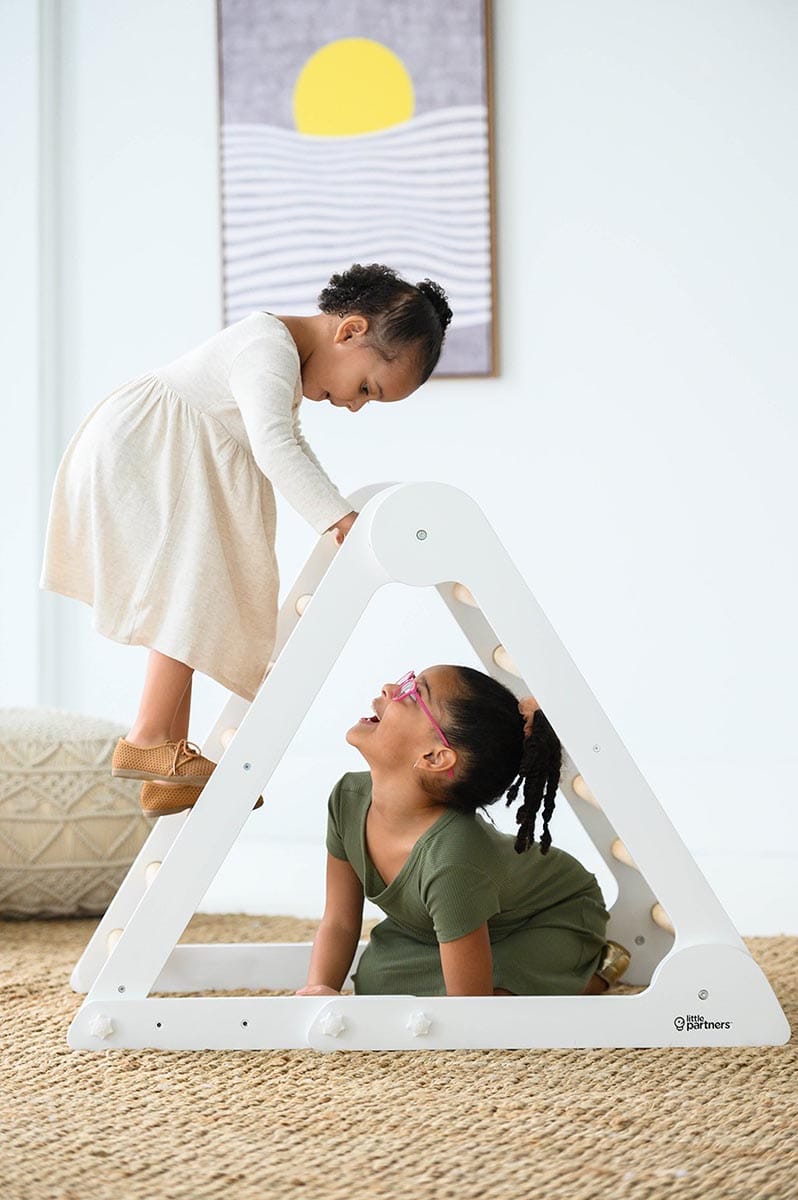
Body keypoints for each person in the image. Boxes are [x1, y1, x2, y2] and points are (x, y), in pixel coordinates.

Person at [38, 264, 452, 816]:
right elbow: (274, 446)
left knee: (192, 595)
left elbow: (290, 440)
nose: (354, 405)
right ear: (350, 331)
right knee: (191, 591)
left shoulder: (280, 355)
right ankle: (148, 737)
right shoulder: (266, 345)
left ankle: (166, 763)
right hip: (149, 453)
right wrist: (336, 518)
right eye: (365, 389)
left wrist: (340, 511)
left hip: (164, 454)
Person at [297, 665, 630, 998]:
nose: (388, 688)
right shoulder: (348, 800)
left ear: (435, 757)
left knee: (491, 995)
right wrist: (318, 990)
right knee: (374, 983)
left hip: (554, 914)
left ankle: (594, 973)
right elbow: (340, 921)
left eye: (413, 693)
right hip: (445, 922)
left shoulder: (451, 859)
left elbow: (468, 1007)